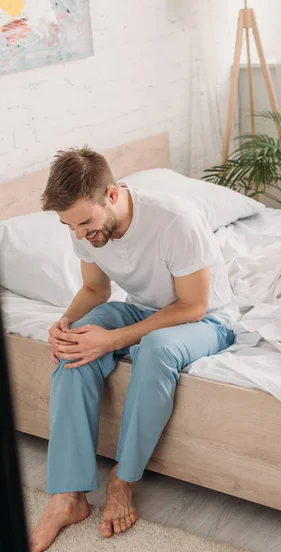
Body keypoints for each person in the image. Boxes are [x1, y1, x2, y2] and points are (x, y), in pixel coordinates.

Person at [30, 147, 235, 552]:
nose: (79, 235)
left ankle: (123, 481)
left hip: (206, 318)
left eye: (85, 222)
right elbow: (96, 289)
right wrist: (66, 322)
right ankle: (67, 496)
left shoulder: (175, 220)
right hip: (140, 308)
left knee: (156, 349)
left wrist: (117, 339)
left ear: (112, 194)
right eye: (68, 226)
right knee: (77, 342)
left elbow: (193, 305)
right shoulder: (86, 228)